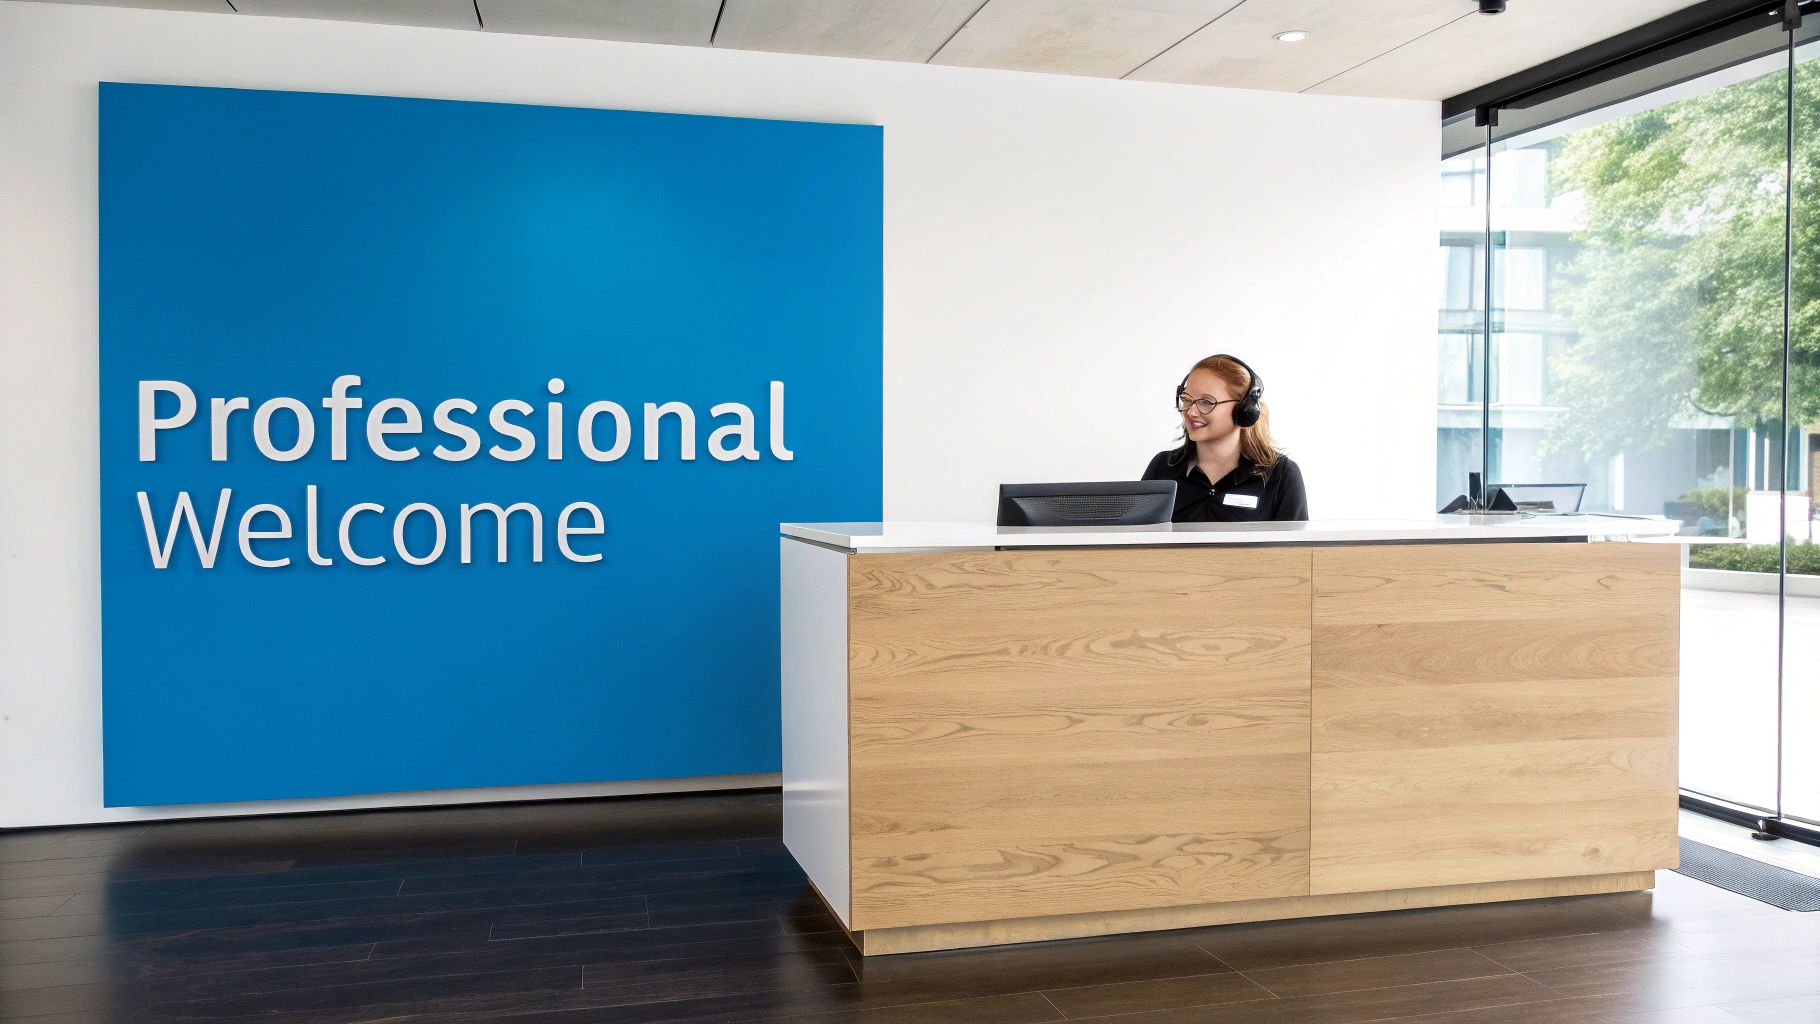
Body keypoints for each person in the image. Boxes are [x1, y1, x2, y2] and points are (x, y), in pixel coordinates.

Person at [1141, 354, 1308, 522]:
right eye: (1186, 399)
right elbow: (1136, 543)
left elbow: (1295, 548)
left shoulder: (1281, 475)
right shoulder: (1162, 468)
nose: (1191, 412)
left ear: (1244, 410)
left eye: (1206, 402)